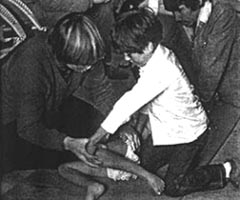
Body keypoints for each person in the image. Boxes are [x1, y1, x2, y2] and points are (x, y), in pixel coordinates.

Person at [87, 8, 240, 197]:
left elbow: (129, 102)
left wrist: (97, 137)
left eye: (131, 53)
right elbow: (146, 101)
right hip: (169, 128)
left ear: (149, 46)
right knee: (143, 164)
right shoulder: (154, 56)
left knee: (173, 187)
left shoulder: (162, 69)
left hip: (189, 135)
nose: (126, 58)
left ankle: (227, 169)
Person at [1, 12, 120, 173]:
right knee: (56, 160)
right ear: (63, 55)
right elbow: (28, 127)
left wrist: (117, 122)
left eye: (92, 63)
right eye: (83, 65)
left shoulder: (85, 54)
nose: (89, 68)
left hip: (50, 106)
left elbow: (102, 90)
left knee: (96, 124)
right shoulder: (30, 63)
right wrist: (67, 142)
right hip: (12, 124)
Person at [162, 0, 240, 166]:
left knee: (193, 164)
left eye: (180, 10)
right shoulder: (197, 18)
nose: (176, 17)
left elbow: (211, 68)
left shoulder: (223, 14)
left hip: (231, 97)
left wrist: (196, 104)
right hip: (212, 93)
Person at [58, 124, 164, 200]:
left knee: (94, 151)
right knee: (63, 168)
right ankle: (93, 186)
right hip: (113, 164)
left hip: (130, 150)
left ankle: (148, 175)